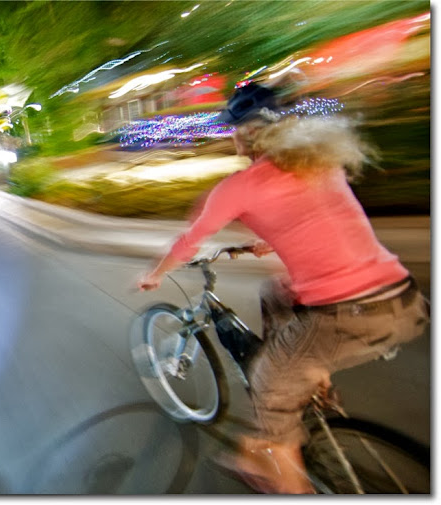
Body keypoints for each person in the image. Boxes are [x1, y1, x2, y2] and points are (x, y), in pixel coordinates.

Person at [137, 83, 429, 494]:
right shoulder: (319, 164)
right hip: (405, 301)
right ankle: (314, 380)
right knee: (276, 291)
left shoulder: (240, 186)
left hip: (349, 316)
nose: (232, 137)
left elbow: (190, 240)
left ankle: (284, 478)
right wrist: (269, 241)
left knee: (267, 381)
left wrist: (155, 274)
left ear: (245, 133)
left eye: (234, 129)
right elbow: (319, 221)